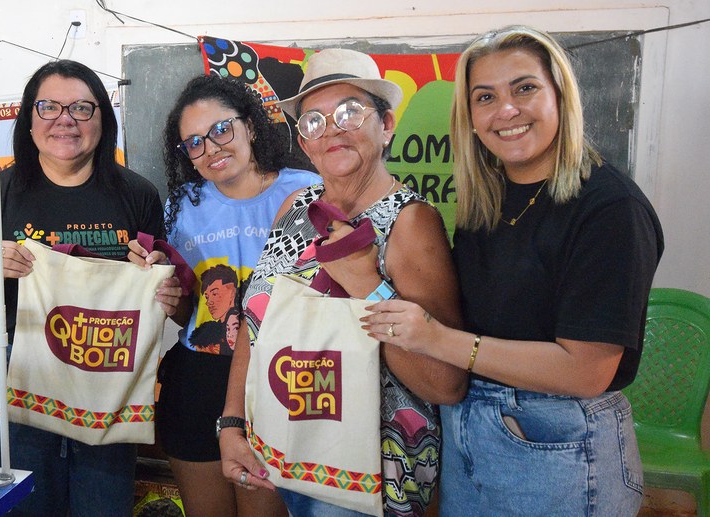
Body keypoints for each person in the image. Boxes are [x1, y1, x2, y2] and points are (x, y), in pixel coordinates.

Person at [362, 26, 664, 516]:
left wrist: (436, 339)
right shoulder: (487, 202)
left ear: (560, 95)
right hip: (471, 430)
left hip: (560, 445)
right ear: (470, 118)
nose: (506, 110)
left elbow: (586, 371)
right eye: (486, 97)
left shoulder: (610, 209)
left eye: (524, 88)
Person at [218, 48, 467, 517]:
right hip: (279, 451)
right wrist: (231, 423)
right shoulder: (296, 206)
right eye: (313, 121)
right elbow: (257, 325)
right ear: (304, 141)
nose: (331, 129)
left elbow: (446, 384)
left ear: (386, 125)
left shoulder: (412, 223)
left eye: (350, 112)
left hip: (363, 477)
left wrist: (368, 287)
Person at [0, 59, 180, 516]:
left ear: (103, 119)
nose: (65, 120)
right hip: (23, 379)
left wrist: (164, 287)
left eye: (81, 107)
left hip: (110, 382)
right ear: (29, 119)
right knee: (27, 506)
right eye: (49, 107)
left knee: (104, 506)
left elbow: (165, 295)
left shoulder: (137, 194)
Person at [127, 74, 319, 517]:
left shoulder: (306, 191)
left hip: (279, 377)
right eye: (194, 143)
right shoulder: (183, 205)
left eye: (221, 130)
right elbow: (188, 313)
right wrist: (162, 290)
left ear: (250, 126)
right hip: (197, 379)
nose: (211, 148)